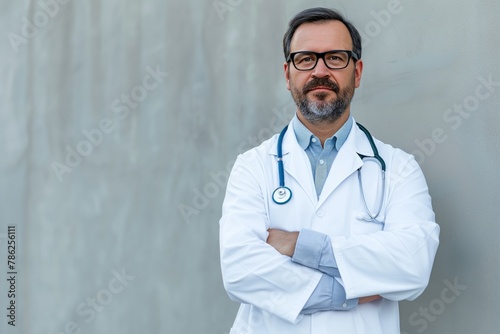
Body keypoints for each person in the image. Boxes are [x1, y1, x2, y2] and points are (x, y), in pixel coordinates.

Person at [219, 7, 440, 334]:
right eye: (305, 58)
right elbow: (240, 270)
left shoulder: (399, 169)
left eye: (335, 58)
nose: (320, 71)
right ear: (287, 73)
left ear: (358, 72)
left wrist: (298, 246)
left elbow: (412, 263)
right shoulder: (253, 167)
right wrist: (351, 290)